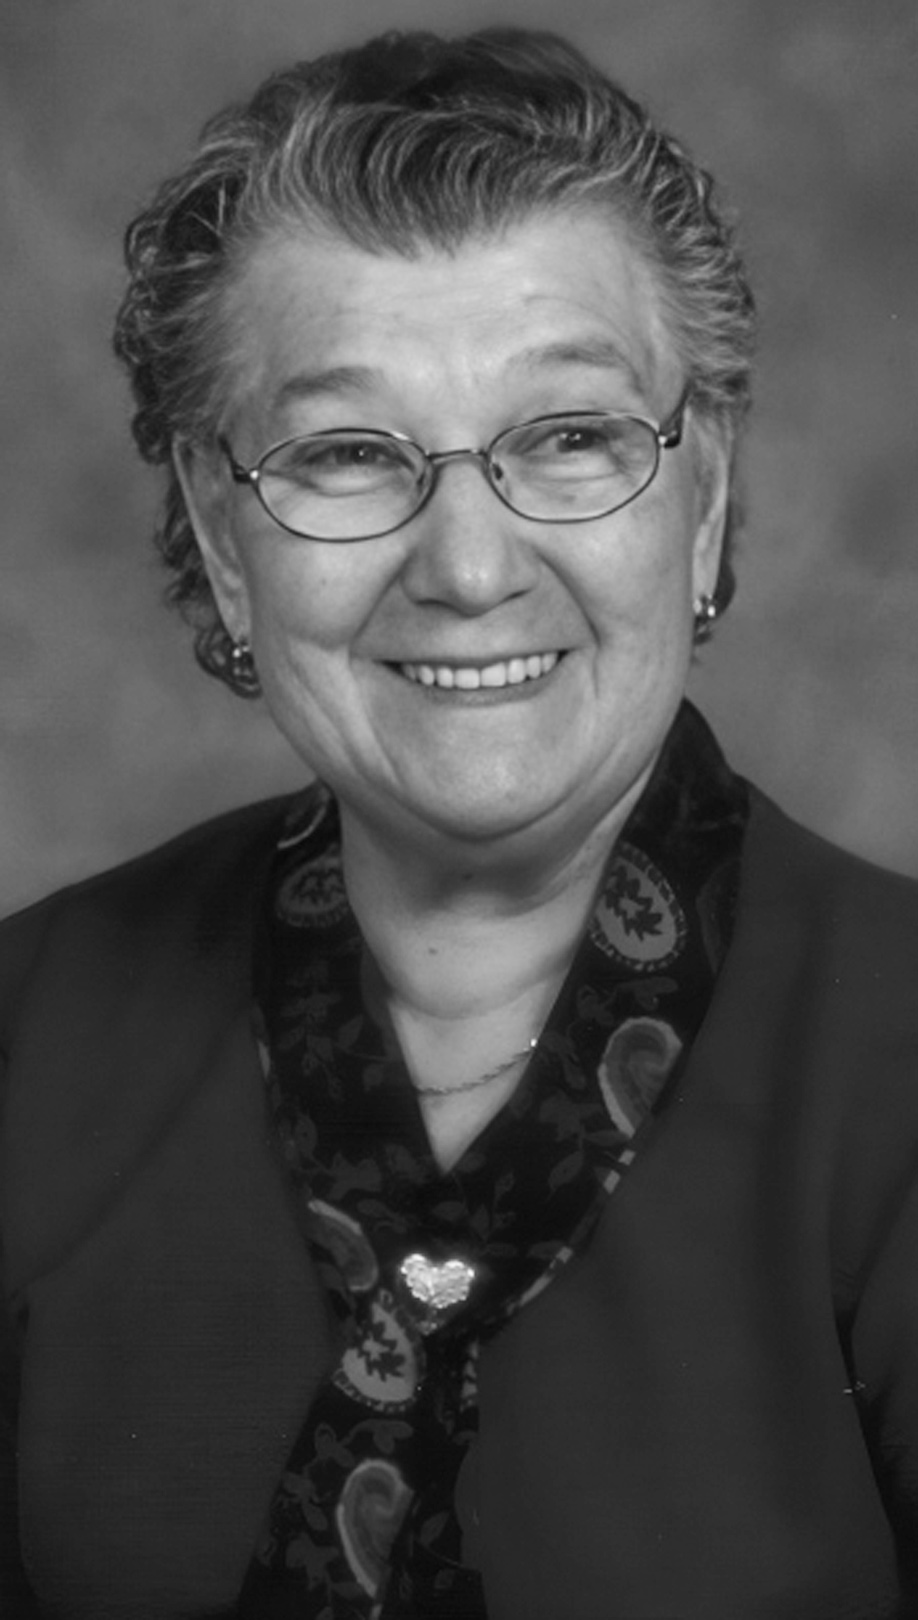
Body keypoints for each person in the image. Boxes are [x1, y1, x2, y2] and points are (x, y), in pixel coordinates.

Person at [1, 24, 916, 1620]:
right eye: (348, 454)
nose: (469, 567)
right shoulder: (27, 1037)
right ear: (220, 535)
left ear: (701, 497)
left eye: (568, 437)